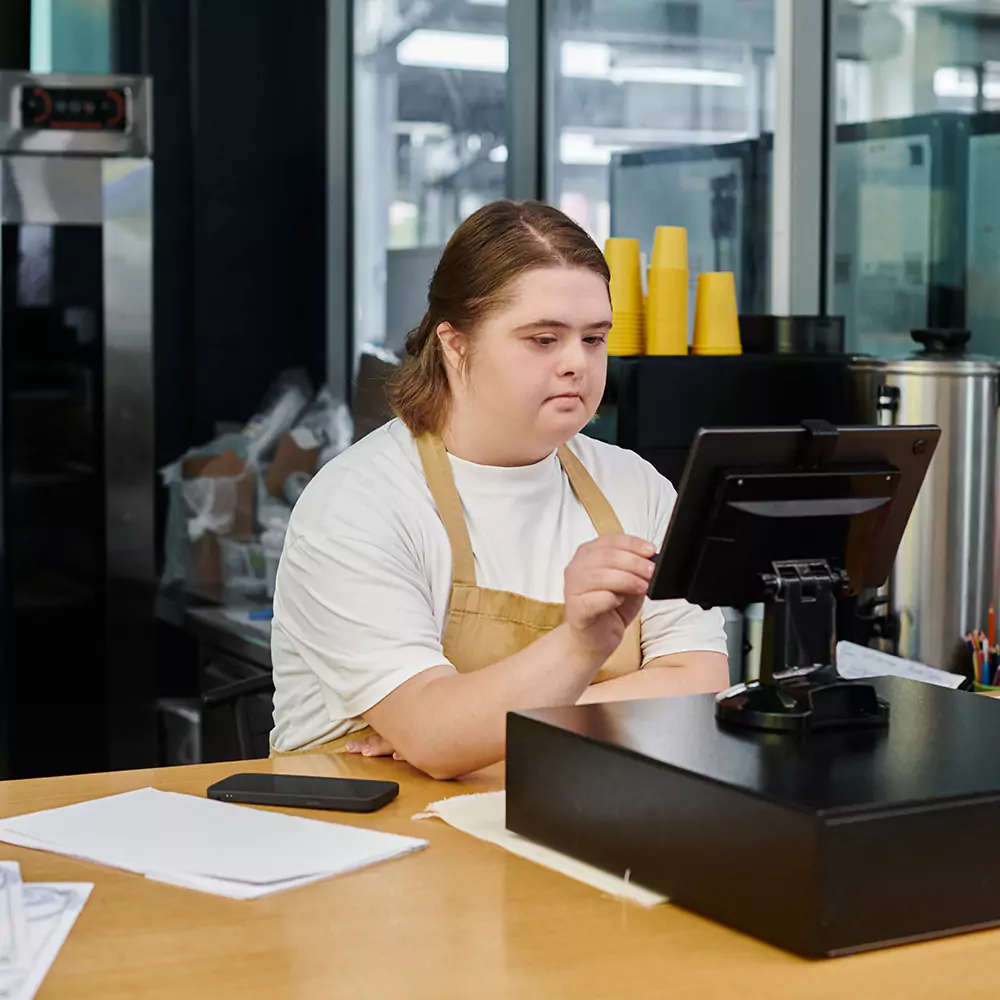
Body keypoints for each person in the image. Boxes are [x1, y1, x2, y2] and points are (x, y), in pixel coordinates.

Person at [269, 200, 729, 779]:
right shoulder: (359, 504)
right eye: (543, 339)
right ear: (454, 344)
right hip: (368, 825)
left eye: (593, 338)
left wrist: (492, 725)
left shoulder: (634, 486)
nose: (577, 363)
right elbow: (437, 736)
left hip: (566, 810)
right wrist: (581, 650)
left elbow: (699, 686)